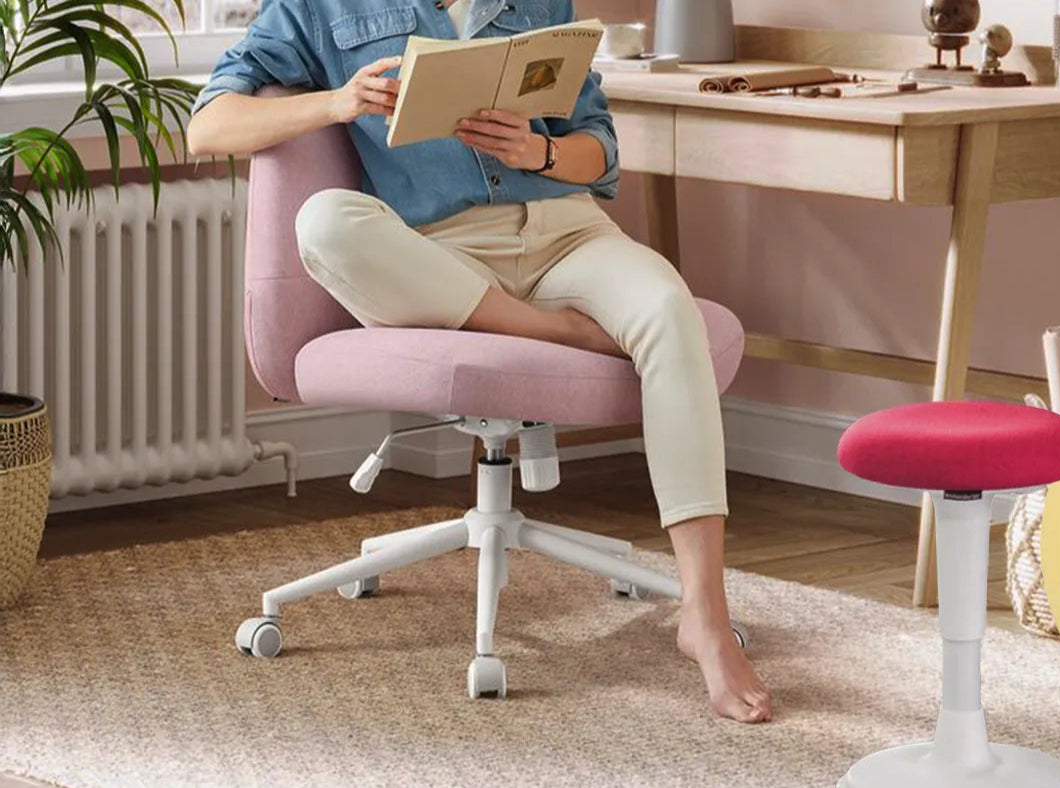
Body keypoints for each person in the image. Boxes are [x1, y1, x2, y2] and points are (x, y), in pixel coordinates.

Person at [186, 0, 772, 723]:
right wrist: (337, 103)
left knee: (667, 308)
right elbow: (207, 124)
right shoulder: (316, 7)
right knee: (324, 222)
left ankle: (705, 616)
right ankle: (552, 332)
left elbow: (600, 147)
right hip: (438, 251)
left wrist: (541, 154)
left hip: (567, 233)